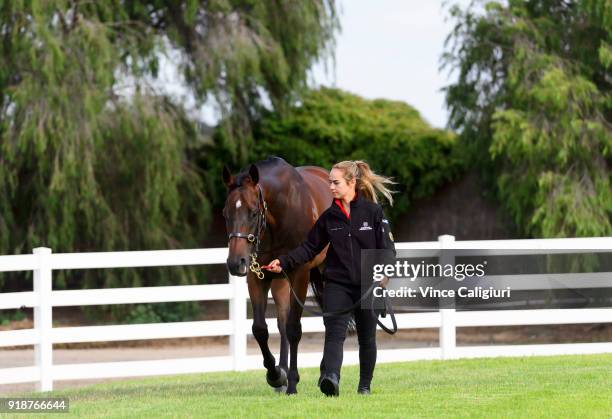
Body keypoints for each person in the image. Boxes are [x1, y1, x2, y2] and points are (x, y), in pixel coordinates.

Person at [265, 160, 396, 397]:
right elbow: (308, 248)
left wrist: (382, 276)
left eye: (336, 183)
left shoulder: (374, 213)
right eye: (330, 182)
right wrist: (283, 262)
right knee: (334, 334)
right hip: (337, 283)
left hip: (368, 283)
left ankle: (364, 386)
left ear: (351, 183)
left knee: (367, 338)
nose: (331, 187)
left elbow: (387, 250)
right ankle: (331, 378)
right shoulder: (328, 218)